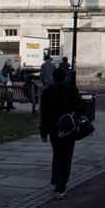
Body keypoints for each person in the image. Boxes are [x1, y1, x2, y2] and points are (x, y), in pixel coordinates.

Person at [40, 68, 83, 197]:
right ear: (65, 77)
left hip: (54, 128)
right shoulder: (72, 89)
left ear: (53, 77)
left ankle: (55, 180)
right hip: (69, 127)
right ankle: (61, 185)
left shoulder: (47, 92)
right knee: (67, 157)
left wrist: (43, 132)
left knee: (57, 154)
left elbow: (44, 114)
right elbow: (80, 108)